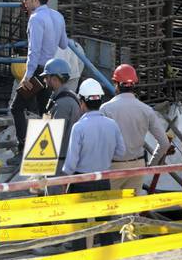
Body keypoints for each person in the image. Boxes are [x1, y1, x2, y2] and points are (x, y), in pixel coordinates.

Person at [8, 0, 68, 164]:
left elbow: (33, 51)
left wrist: (26, 76)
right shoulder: (57, 16)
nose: (25, 2)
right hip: (51, 74)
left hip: (37, 73)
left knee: (16, 108)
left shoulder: (35, 19)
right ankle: (45, 152)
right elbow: (64, 44)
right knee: (45, 111)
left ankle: (23, 148)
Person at [63, 79, 125, 250]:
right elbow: (121, 152)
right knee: (105, 227)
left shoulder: (79, 127)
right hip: (104, 181)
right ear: (100, 101)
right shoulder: (111, 125)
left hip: (81, 182)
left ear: (82, 103)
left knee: (80, 228)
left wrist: (63, 182)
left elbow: (70, 165)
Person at [100, 64, 171, 193]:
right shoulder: (146, 110)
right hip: (137, 166)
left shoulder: (105, 109)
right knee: (132, 210)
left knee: (111, 209)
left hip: (113, 166)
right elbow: (164, 143)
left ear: (116, 84)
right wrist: (151, 165)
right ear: (134, 84)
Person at [40, 58, 81, 173]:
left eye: (46, 77)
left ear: (54, 79)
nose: (44, 81)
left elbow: (54, 137)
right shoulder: (68, 96)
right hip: (63, 159)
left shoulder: (62, 103)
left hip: (59, 163)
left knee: (55, 191)